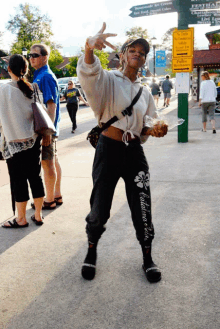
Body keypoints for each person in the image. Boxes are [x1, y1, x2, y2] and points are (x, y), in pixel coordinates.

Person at [77, 22, 168, 283]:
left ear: (144, 60)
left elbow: (148, 124)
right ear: (124, 53)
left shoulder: (146, 92)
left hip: (134, 152)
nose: (138, 55)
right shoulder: (108, 80)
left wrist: (156, 129)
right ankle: (92, 250)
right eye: (134, 50)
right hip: (109, 149)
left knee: (142, 204)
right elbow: (89, 73)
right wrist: (88, 47)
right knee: (100, 207)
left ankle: (148, 257)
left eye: (142, 53)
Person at [0, 54, 45, 228]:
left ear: (9, 69)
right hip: (33, 140)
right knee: (35, 177)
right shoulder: (33, 87)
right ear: (25, 70)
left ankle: (21, 218)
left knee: (18, 181)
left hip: (13, 142)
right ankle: (39, 215)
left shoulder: (4, 90)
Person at [29, 44, 63, 210]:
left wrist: (47, 133)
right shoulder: (39, 75)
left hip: (47, 129)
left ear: (44, 57)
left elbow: (52, 105)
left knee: (47, 163)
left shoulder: (46, 76)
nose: (31, 58)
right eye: (30, 55)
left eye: (34, 55)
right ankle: (56, 194)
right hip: (47, 127)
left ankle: (49, 200)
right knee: (53, 161)